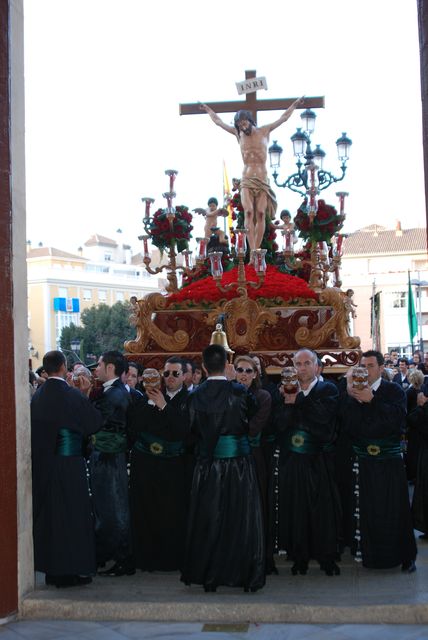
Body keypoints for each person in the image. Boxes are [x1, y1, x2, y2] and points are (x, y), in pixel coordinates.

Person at [181, 344, 265, 592]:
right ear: (226, 365)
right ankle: (245, 576)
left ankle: (210, 577)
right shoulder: (239, 391)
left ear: (204, 367)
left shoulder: (194, 396)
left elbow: (190, 432)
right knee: (242, 518)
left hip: (208, 466)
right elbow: (252, 413)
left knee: (209, 519)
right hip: (239, 465)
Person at [31, 350, 103, 587]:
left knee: (51, 517)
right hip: (69, 464)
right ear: (63, 367)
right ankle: (71, 570)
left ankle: (52, 571)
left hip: (44, 465)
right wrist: (84, 395)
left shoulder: (37, 396)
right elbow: (94, 423)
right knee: (72, 517)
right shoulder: (71, 395)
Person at [341, 350, 417, 571]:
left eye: (371, 365)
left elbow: (395, 422)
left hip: (389, 462)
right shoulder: (352, 392)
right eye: (362, 366)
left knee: (395, 510)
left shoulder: (393, 391)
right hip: (364, 461)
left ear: (382, 368)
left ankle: (405, 557)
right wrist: (352, 397)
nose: (366, 370)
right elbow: (349, 425)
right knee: (368, 511)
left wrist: (372, 401)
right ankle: (371, 555)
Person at [200, 97, 304, 252]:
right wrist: (208, 110)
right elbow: (218, 122)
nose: (242, 126)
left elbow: (283, 118)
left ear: (249, 120)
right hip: (247, 177)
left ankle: (257, 249)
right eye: (239, 124)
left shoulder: (264, 130)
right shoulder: (238, 134)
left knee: (261, 213)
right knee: (248, 212)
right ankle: (253, 251)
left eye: (244, 122)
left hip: (262, 178)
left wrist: (294, 105)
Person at [272, 348, 342, 576]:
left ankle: (327, 558)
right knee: (296, 509)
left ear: (317, 366)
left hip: (319, 460)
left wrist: (297, 401)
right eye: (297, 364)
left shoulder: (328, 389)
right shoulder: (284, 391)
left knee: (323, 511)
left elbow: (323, 420)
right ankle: (299, 557)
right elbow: (280, 425)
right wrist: (289, 404)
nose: (301, 368)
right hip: (293, 460)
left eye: (306, 363)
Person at [127, 358, 191, 572]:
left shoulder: (189, 399)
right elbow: (135, 426)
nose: (170, 378)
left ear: (184, 376)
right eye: (167, 374)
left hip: (174, 468)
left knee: (172, 514)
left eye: (175, 374)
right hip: (147, 466)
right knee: (147, 512)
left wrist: (164, 406)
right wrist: (151, 403)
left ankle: (172, 560)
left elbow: (184, 431)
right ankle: (147, 558)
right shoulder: (146, 398)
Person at [90, 350, 133, 576]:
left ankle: (122, 558)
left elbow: (94, 421)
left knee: (115, 509)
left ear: (109, 368)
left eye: (98, 365)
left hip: (110, 459)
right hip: (104, 458)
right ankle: (108, 554)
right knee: (105, 509)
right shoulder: (110, 392)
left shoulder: (114, 394)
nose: (95, 369)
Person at [234, 355, 274, 573]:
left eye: (249, 371)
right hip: (231, 459)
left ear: (256, 374)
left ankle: (260, 557)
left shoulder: (264, 396)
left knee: (258, 506)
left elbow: (252, 427)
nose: (244, 374)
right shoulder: (228, 393)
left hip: (254, 458)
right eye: (240, 370)